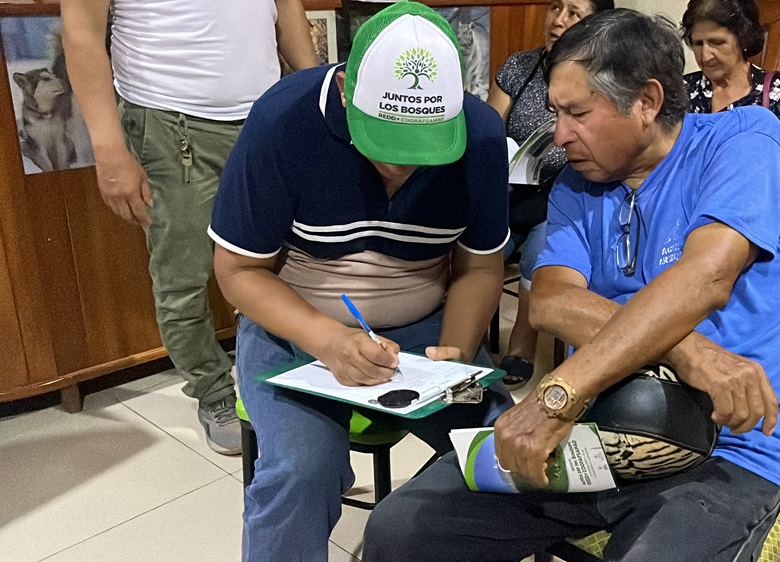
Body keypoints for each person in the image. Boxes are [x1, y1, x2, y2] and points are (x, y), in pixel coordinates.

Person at [363, 9, 780, 562]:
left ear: (646, 102)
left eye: (577, 112)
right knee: (400, 529)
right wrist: (685, 348)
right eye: (556, 112)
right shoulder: (578, 184)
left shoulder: (744, 141)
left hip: (731, 451)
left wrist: (558, 393)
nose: (559, 135)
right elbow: (550, 300)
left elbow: (705, 277)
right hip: (598, 432)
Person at [209, 2, 513, 560]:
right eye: (384, 145)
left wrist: (459, 349)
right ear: (347, 90)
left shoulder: (482, 135)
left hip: (426, 327)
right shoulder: (285, 120)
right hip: (294, 327)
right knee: (300, 471)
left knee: (506, 450)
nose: (400, 169)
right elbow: (238, 271)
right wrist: (327, 339)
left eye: (421, 152)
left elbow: (480, 265)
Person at [61, 0, 317, 454]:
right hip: (168, 124)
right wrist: (108, 148)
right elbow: (82, 33)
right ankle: (214, 392)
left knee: (291, 256)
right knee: (183, 273)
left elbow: (286, 8)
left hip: (266, 115)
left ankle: (290, 374)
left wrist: (312, 89)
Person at [486, 0, 614, 390]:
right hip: (509, 192)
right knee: (478, 245)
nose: (559, 20)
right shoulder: (520, 67)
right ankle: (466, 341)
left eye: (574, 13)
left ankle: (522, 344)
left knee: (542, 249)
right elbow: (490, 130)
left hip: (566, 198)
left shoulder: (604, 79)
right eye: (556, 7)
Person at [682, 0, 780, 260]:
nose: (705, 55)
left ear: (742, 38)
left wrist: (774, 221)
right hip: (694, 227)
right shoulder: (683, 92)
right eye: (697, 43)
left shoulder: (776, 92)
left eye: (717, 42)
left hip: (764, 233)